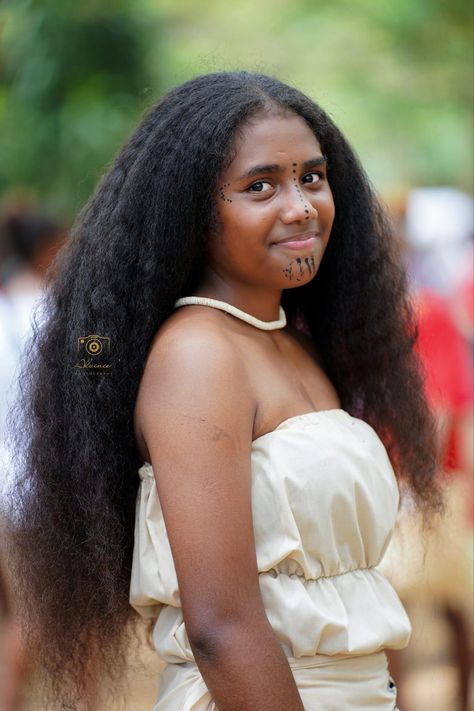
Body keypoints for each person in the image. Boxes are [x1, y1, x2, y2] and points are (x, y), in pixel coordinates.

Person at [4, 71, 443, 710]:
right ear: (193, 209)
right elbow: (221, 628)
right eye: (260, 185)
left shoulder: (293, 340)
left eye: (312, 177)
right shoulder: (199, 356)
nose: (299, 205)